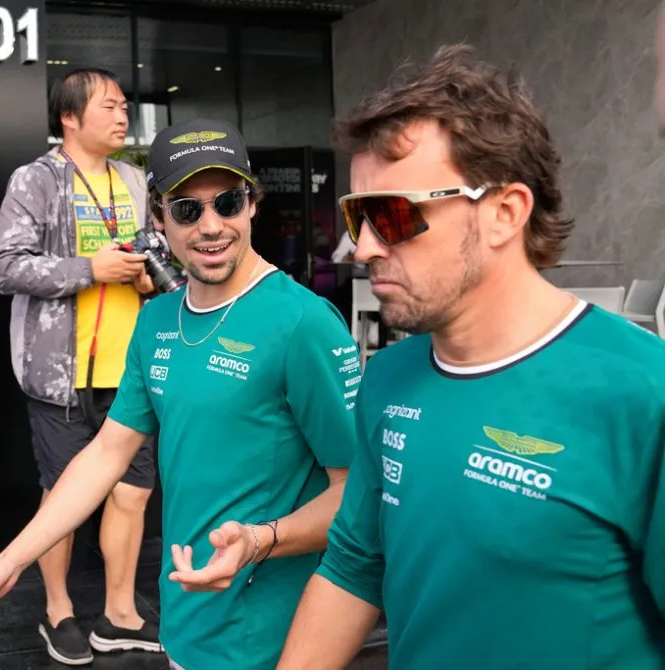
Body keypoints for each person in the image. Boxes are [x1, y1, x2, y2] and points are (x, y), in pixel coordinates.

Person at [278, 45, 665, 670]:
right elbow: (354, 566)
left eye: (392, 215)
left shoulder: (643, 393)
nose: (361, 247)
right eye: (357, 214)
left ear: (504, 213)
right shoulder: (388, 379)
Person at [0, 117, 361, 670]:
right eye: (188, 209)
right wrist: (9, 562)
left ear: (252, 204)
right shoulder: (158, 320)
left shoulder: (303, 323)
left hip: (272, 635)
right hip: (185, 616)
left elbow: (357, 497)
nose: (211, 226)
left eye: (228, 202)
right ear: (160, 218)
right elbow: (105, 455)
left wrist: (261, 540)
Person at [0, 68, 160, 665]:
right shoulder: (37, 180)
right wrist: (89, 269)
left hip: (129, 369)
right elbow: (5, 267)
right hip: (60, 374)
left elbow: (153, 255)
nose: (122, 115)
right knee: (61, 494)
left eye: (124, 105)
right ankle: (58, 609)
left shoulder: (134, 180)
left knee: (132, 494)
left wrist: (150, 277)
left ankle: (120, 613)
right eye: (108, 106)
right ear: (70, 116)